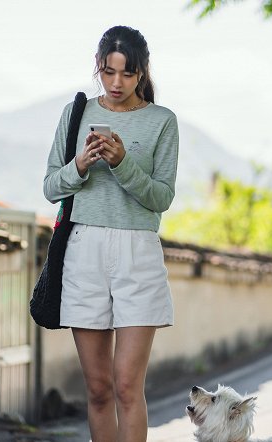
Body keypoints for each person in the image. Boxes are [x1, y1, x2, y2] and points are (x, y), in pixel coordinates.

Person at [42, 25, 179, 442]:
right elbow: (50, 187)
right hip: (85, 250)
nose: (116, 83)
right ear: (97, 68)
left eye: (127, 73)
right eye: (108, 72)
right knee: (99, 390)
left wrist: (122, 163)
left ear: (142, 74)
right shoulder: (75, 114)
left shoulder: (161, 121)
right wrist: (81, 165)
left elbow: (160, 197)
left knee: (125, 387)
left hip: (137, 250)